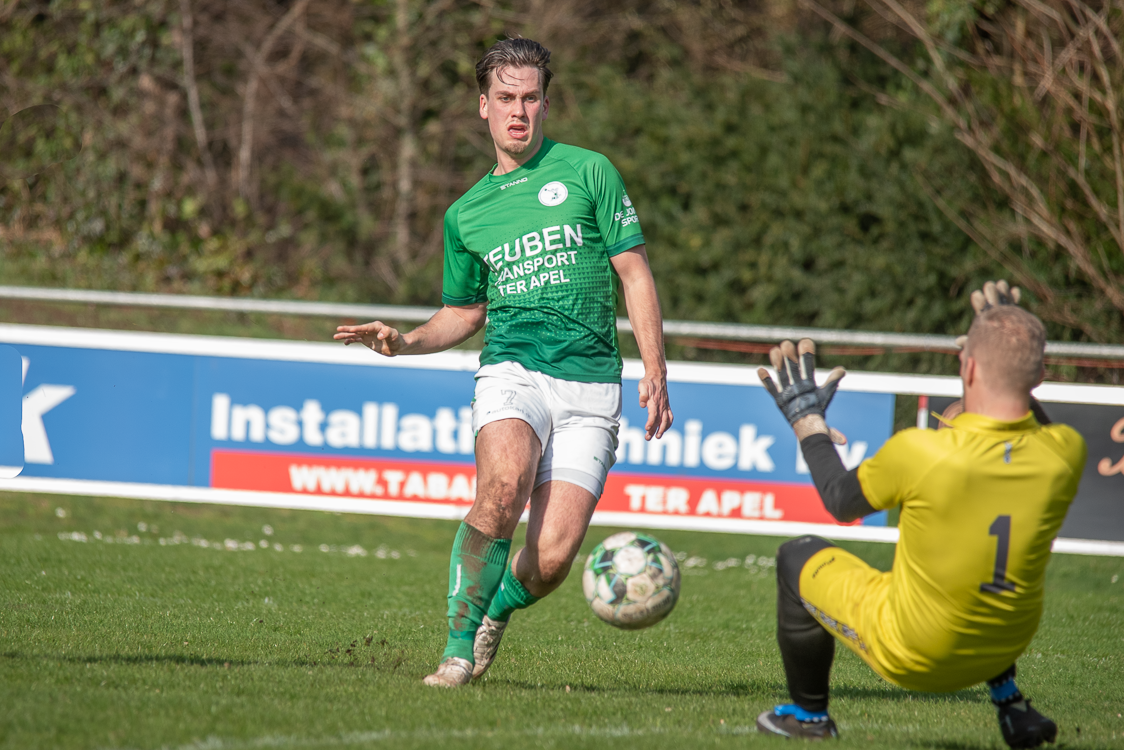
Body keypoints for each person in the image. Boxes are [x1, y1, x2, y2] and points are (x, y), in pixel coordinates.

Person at [334, 38, 673, 687]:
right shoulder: (466, 214)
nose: (519, 111)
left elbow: (634, 271)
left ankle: (493, 614)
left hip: (592, 386)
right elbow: (463, 313)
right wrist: (402, 341)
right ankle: (457, 652)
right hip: (512, 371)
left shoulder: (589, 171)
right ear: (482, 106)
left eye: (530, 98)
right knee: (501, 485)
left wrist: (655, 367)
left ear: (545, 103)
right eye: (506, 99)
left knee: (550, 561)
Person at [753, 282, 1086, 747]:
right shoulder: (1066, 452)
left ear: (968, 366)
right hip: (1007, 644)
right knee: (981, 577)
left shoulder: (922, 451)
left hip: (916, 654)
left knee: (797, 556)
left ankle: (809, 717)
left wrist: (807, 420)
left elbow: (838, 500)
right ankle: (1012, 706)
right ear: (1039, 375)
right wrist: (1011, 341)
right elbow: (1034, 416)